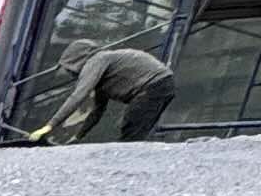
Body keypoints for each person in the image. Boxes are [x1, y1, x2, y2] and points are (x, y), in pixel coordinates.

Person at [28, 42, 177, 141]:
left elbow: (78, 95)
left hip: (154, 85)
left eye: (69, 69)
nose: (71, 74)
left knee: (131, 128)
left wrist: (49, 125)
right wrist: (78, 137)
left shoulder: (97, 60)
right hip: (162, 85)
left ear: (76, 60)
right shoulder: (103, 76)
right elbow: (97, 112)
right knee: (136, 130)